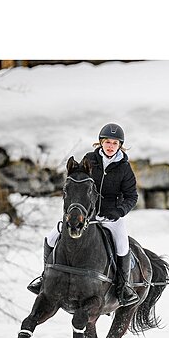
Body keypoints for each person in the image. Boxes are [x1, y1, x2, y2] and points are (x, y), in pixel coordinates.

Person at [28, 123, 139, 306]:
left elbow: (132, 196)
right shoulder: (89, 159)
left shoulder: (124, 168)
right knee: (50, 238)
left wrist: (119, 211)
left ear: (120, 145)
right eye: (107, 142)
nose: (110, 146)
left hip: (111, 216)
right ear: (101, 143)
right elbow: (77, 182)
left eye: (115, 143)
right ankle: (45, 278)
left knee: (122, 245)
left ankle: (123, 287)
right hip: (85, 215)